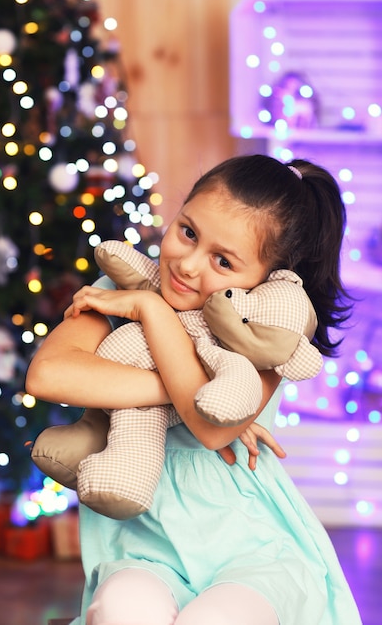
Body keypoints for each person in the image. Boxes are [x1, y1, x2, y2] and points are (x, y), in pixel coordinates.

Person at [26, 155, 362, 625]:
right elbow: (50, 376)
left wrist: (151, 310)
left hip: (252, 548)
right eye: (187, 231)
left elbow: (209, 428)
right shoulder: (117, 287)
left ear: (268, 279)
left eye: (223, 261)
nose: (187, 265)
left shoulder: (261, 328)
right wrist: (188, 388)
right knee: (125, 610)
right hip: (144, 543)